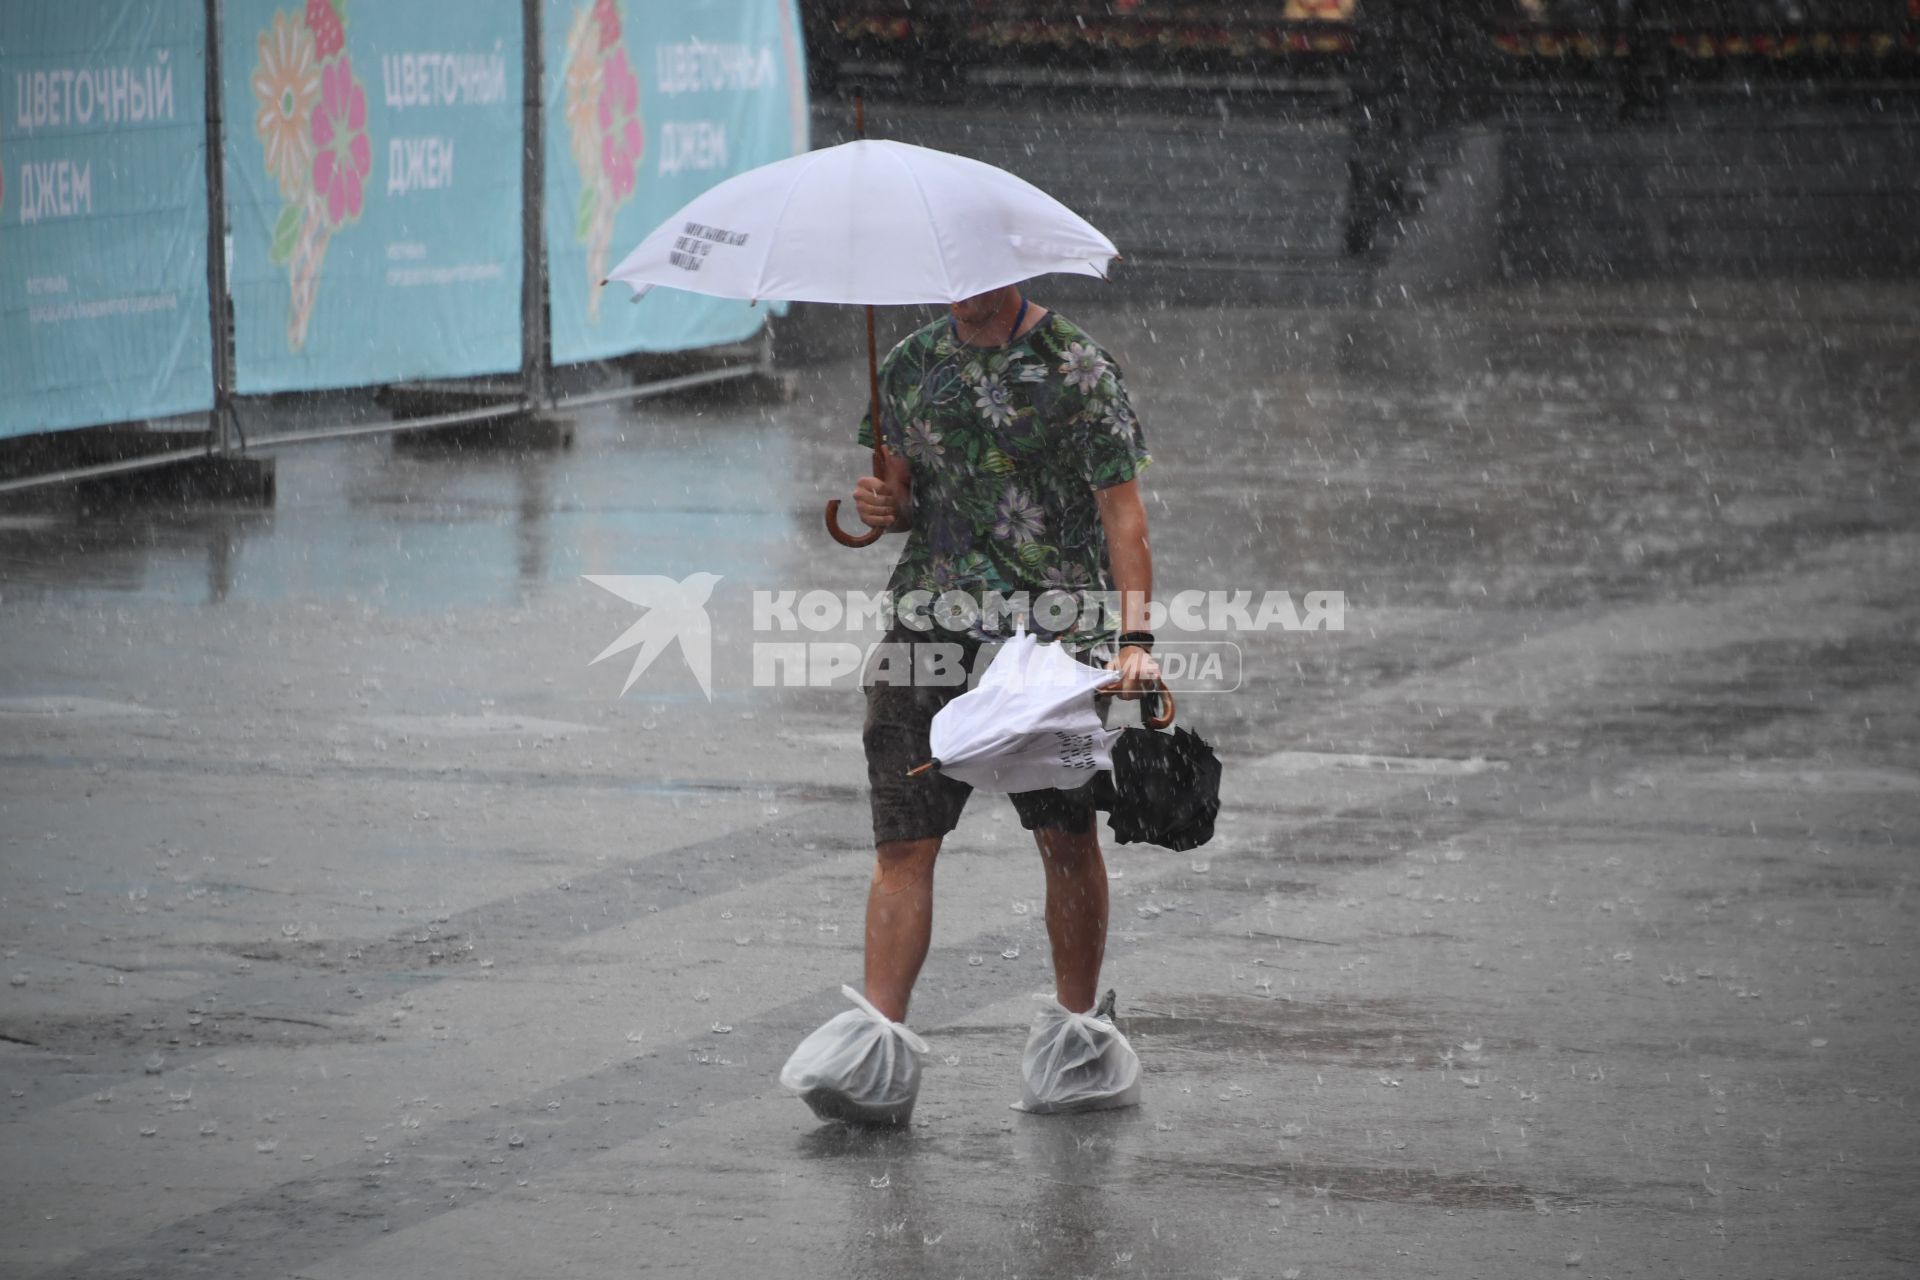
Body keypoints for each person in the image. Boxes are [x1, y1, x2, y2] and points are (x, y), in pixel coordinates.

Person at [779, 283, 1158, 1123]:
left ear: (1013, 270)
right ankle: (876, 1055)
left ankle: (1076, 1042)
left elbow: (1122, 519)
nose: (962, 293)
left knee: (1065, 836)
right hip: (931, 617)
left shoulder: (1079, 369)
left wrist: (1136, 642)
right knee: (904, 838)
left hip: (1055, 631)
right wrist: (886, 507)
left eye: (979, 276)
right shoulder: (912, 364)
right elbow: (905, 500)